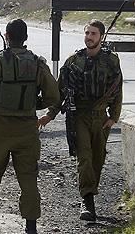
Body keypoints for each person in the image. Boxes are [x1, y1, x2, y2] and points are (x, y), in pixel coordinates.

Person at [0, 19, 59, 234]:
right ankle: (31, 227)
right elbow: (54, 96)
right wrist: (36, 106)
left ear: (6, 36)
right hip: (27, 130)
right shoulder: (38, 64)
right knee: (28, 178)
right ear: (26, 38)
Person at [39, 20, 123, 222]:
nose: (89, 37)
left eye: (93, 33)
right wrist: (50, 115)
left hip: (101, 117)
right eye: (87, 33)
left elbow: (117, 88)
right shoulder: (73, 61)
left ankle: (90, 193)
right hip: (79, 116)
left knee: (98, 159)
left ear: (101, 36)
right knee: (84, 158)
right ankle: (87, 201)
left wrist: (114, 117)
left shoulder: (111, 61)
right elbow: (60, 91)